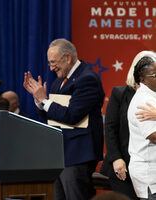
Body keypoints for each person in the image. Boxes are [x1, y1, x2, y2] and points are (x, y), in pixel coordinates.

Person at [23, 38, 104, 200]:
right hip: (59, 152)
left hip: (78, 153)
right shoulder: (59, 80)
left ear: (67, 58)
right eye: (49, 63)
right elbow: (52, 116)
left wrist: (45, 100)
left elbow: (72, 115)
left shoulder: (87, 79)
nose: (51, 67)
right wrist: (39, 101)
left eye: (53, 62)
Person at [101, 51, 156, 200]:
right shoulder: (135, 97)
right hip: (133, 164)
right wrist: (116, 158)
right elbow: (111, 128)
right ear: (141, 75)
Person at [128, 56, 156, 199]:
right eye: (155, 75)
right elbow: (154, 136)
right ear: (142, 79)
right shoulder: (145, 102)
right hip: (151, 176)